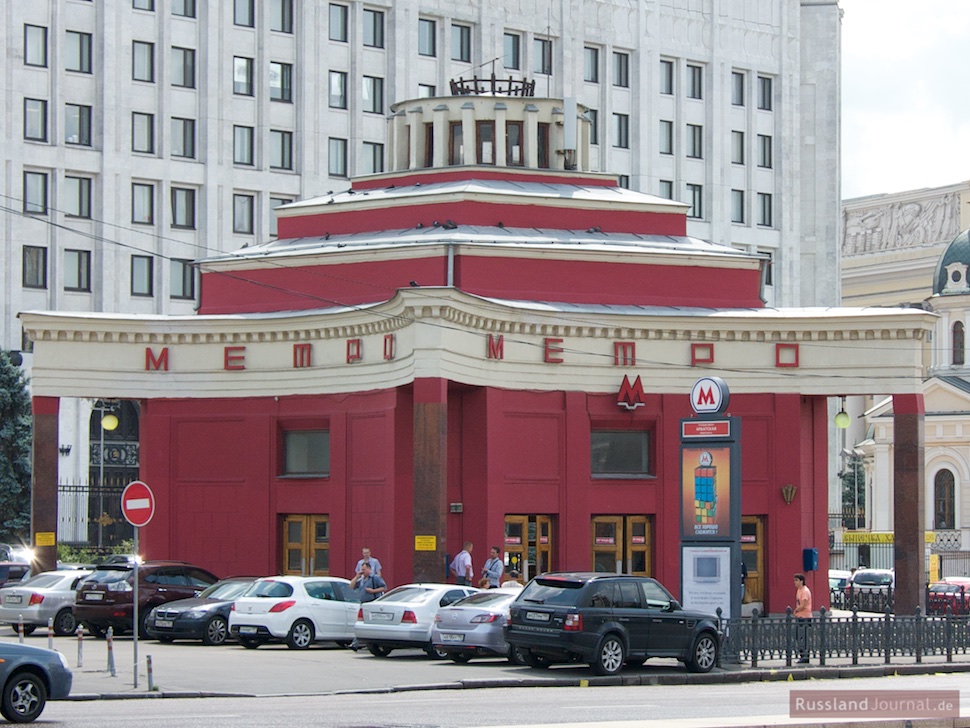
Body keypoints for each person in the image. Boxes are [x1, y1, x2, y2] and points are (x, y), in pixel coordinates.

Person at [348, 562, 386, 651]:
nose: (362, 571)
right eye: (362, 569)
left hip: (372, 604)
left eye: (364, 570)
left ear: (369, 569)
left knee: (370, 624)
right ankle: (355, 643)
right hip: (363, 605)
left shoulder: (374, 578)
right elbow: (351, 586)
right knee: (361, 623)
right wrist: (356, 576)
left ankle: (362, 643)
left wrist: (373, 591)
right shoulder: (361, 580)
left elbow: (384, 588)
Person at [793, 573, 813, 664]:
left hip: (805, 617)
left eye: (796, 580)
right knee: (798, 636)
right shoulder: (799, 590)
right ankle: (803, 655)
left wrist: (796, 610)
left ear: (801, 581)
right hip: (800, 616)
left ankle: (805, 656)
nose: (795, 582)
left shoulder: (805, 591)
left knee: (803, 637)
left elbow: (803, 604)